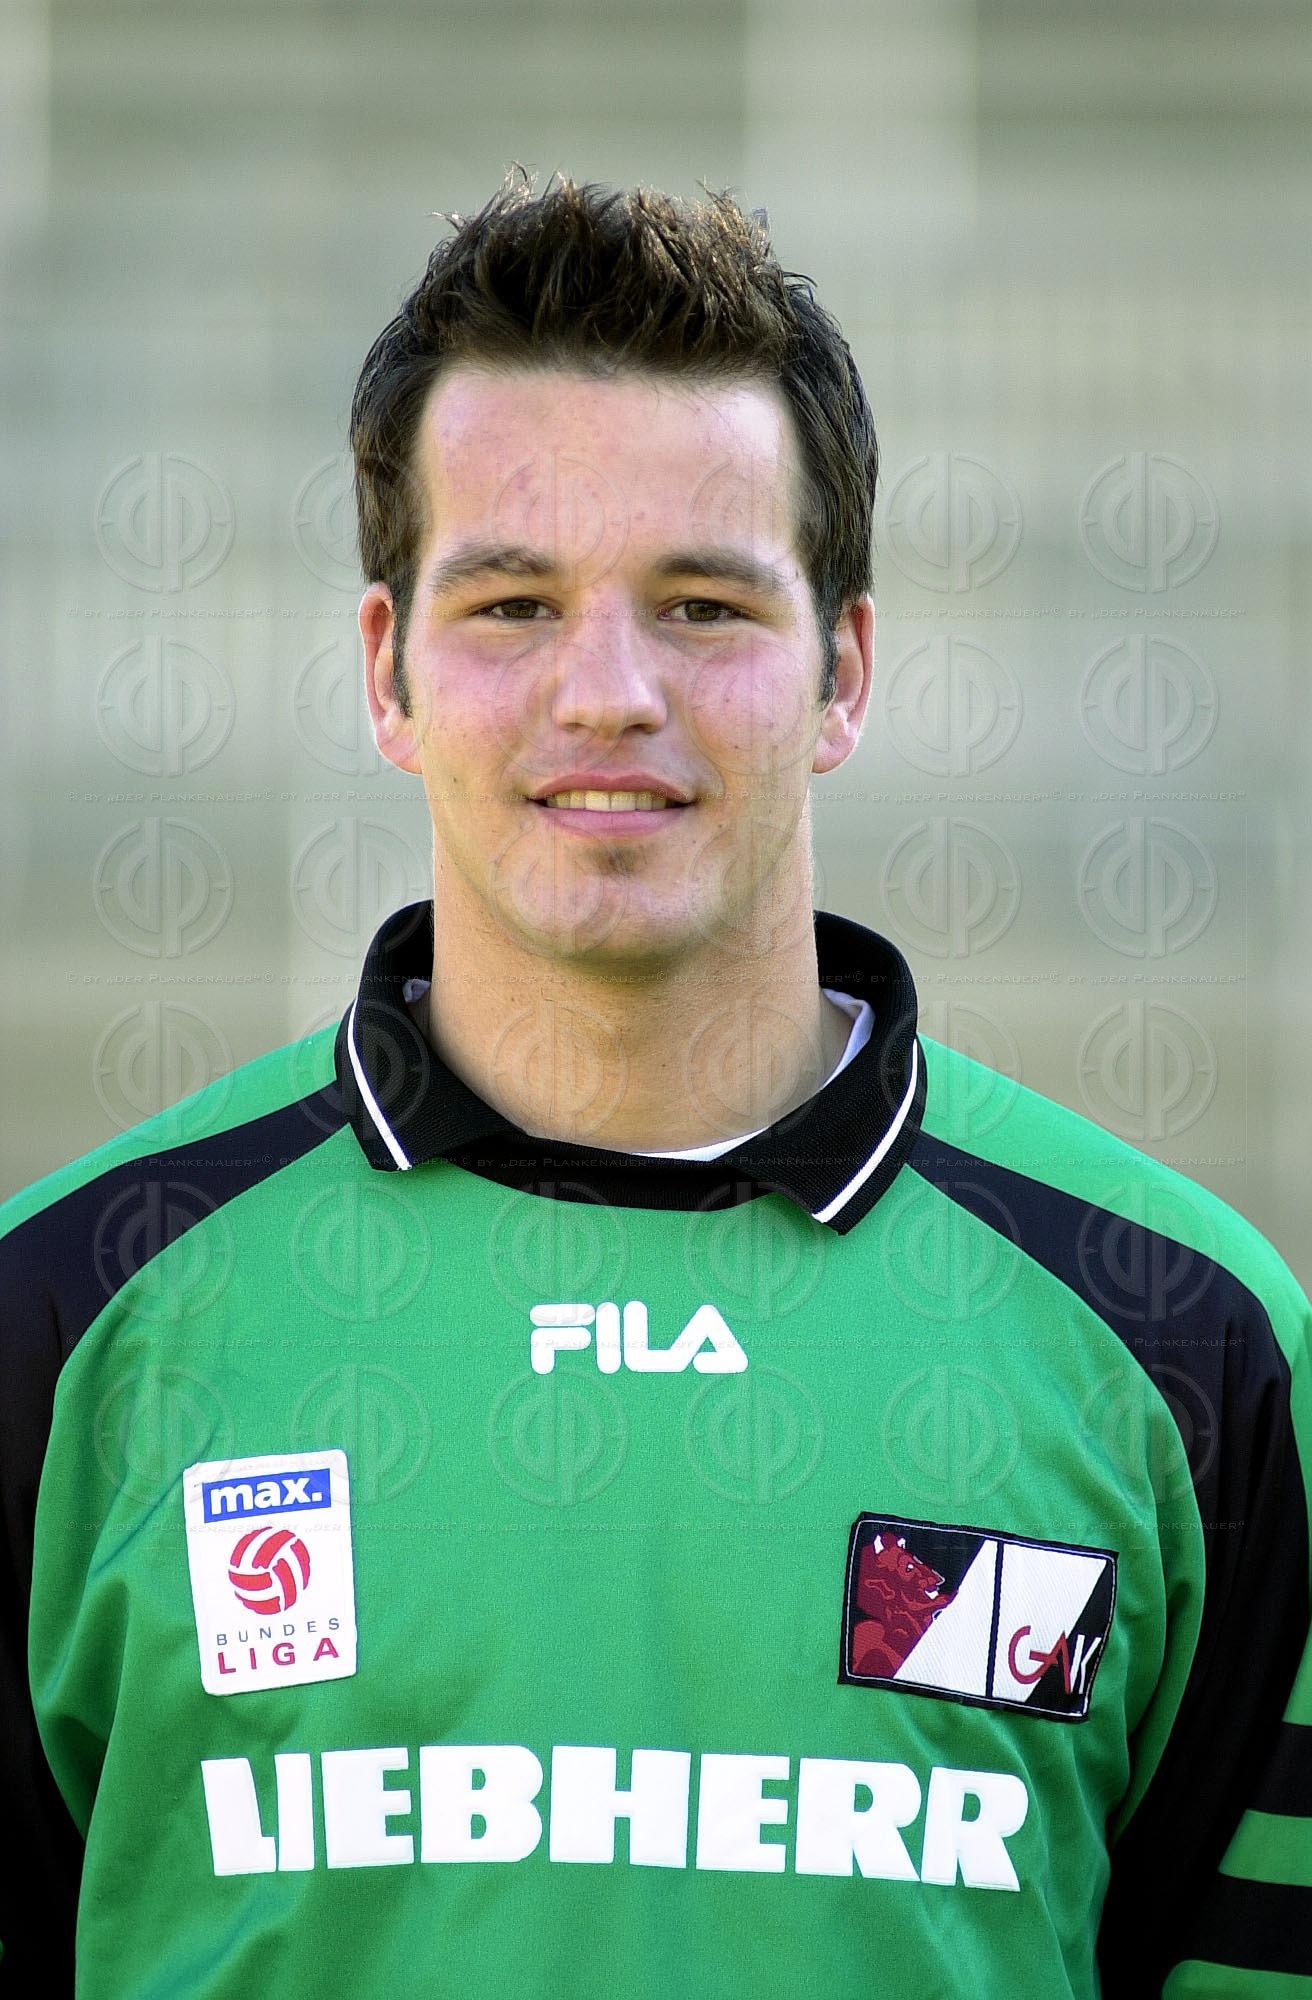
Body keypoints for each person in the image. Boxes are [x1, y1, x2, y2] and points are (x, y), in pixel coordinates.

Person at [1, 168, 1309, 2000]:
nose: (608, 690)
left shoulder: (1188, 1345)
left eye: (701, 605)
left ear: (844, 670)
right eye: (511, 603)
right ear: (387, 672)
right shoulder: (66, 1323)